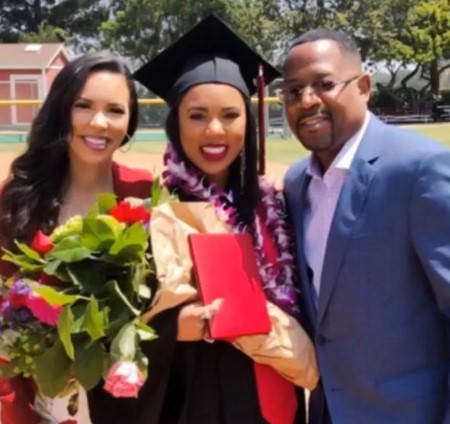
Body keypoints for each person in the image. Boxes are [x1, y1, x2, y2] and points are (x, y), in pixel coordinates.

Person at [88, 14, 318, 424]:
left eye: (230, 114)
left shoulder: (276, 206)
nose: (215, 130)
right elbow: (114, 330)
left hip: (268, 397)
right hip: (184, 401)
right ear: (176, 122)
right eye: (197, 115)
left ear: (248, 122)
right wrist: (177, 326)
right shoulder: (146, 210)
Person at [282, 28, 450, 424]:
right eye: (292, 91)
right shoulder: (294, 184)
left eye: (324, 84)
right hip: (329, 412)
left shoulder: (419, 169)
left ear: (363, 86)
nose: (307, 101)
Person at [0, 51, 152, 424]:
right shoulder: (17, 199)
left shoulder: (143, 195)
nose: (99, 123)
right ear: (61, 110)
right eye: (83, 106)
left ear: (130, 120)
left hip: (126, 403)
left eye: (115, 110)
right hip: (37, 402)